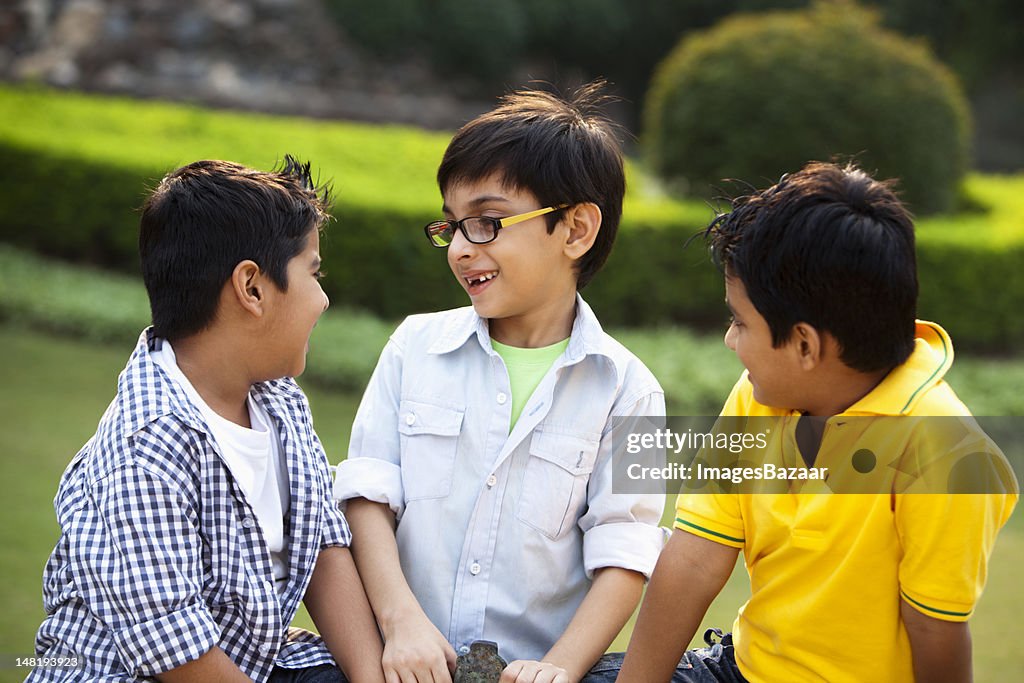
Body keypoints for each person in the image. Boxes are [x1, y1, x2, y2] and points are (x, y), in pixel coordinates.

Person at [618, 161, 1019, 683]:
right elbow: (694, 561)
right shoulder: (760, 397)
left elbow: (934, 631)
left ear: (804, 344)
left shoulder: (947, 455)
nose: (730, 340)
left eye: (740, 322)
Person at [334, 83, 666, 683]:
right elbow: (366, 495)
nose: (461, 248)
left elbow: (626, 552)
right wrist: (400, 622)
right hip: (402, 668)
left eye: (488, 222)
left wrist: (559, 669)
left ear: (576, 230)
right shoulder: (414, 347)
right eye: (453, 226)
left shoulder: (631, 392)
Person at [30, 158, 385, 683]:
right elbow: (179, 655)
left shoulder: (279, 399)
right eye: (313, 272)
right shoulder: (145, 450)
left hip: (251, 661)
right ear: (252, 288)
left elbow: (322, 547)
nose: (324, 298)